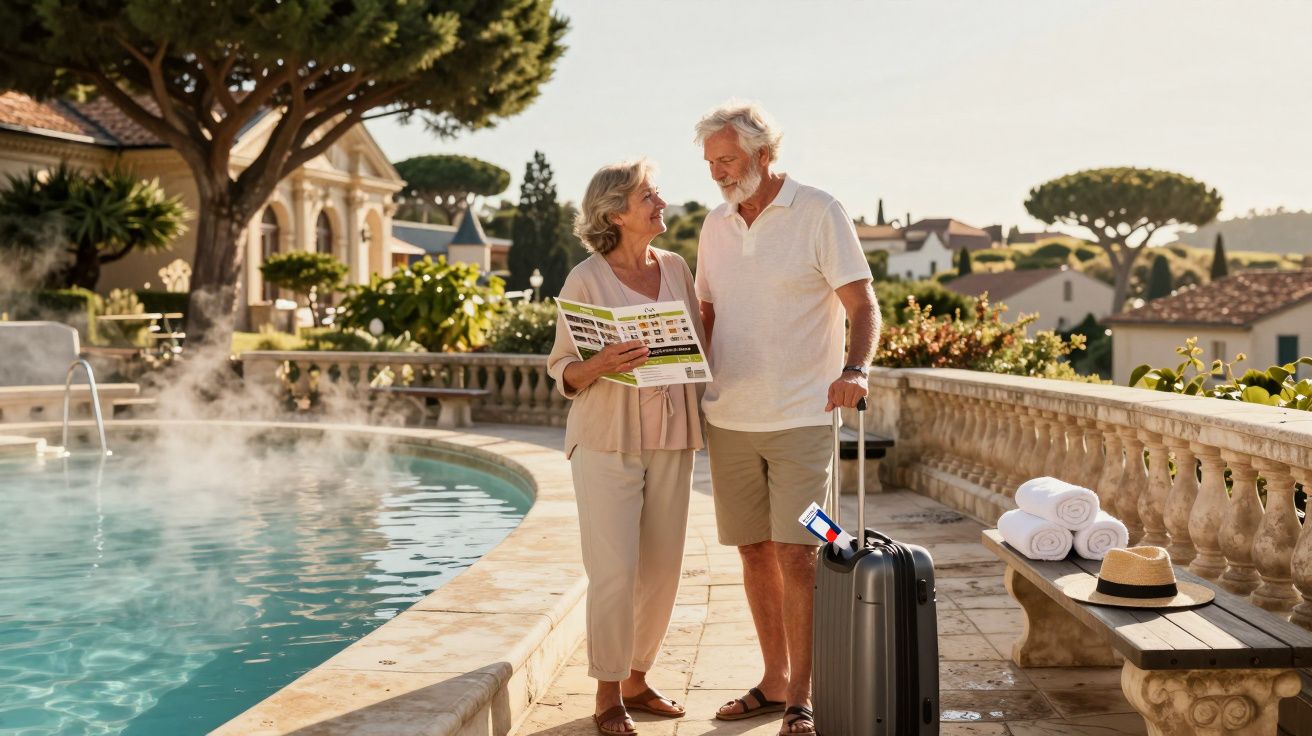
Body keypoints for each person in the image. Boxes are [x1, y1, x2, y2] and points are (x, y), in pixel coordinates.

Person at [693, 101, 880, 736]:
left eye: (728, 160)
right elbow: (709, 315)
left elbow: (862, 302)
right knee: (752, 550)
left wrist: (855, 370)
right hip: (730, 419)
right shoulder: (715, 226)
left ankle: (802, 694)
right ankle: (773, 680)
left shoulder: (819, 211)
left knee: (802, 549)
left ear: (763, 155)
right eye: (712, 162)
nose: (718, 173)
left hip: (805, 418)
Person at [546, 159, 707, 736]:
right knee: (614, 570)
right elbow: (562, 369)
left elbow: (698, 342)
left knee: (662, 569)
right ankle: (607, 692)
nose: (660, 201)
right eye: (648, 195)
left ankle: (638, 678)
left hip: (672, 436)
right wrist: (598, 365)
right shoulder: (585, 279)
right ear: (616, 212)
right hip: (605, 440)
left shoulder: (677, 268)